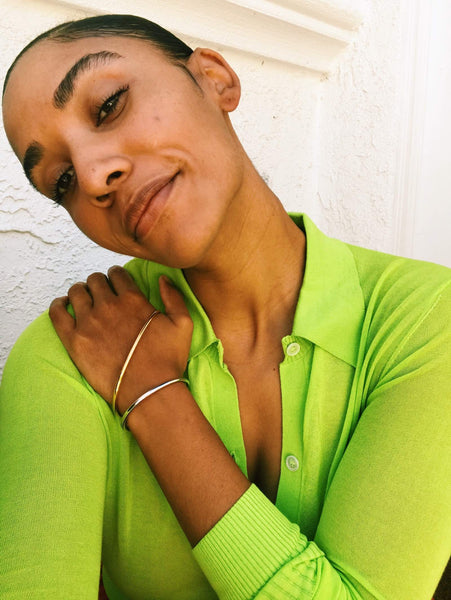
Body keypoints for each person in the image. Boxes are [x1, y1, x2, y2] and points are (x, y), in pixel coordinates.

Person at [0, 13, 449, 600]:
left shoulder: (424, 316)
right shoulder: (66, 355)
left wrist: (154, 399)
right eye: (60, 182)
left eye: (108, 104)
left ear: (215, 79)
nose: (93, 175)